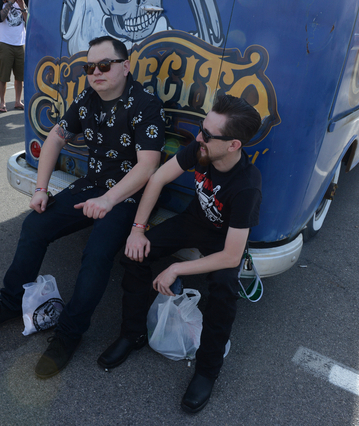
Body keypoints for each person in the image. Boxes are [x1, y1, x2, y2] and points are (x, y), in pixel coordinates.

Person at [0, 36, 165, 380]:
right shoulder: (88, 98)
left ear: (125, 66)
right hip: (92, 185)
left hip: (128, 194)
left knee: (97, 253)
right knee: (34, 225)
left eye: (104, 65)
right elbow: (56, 137)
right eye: (90, 67)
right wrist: (40, 189)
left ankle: (69, 334)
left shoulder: (147, 105)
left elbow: (148, 166)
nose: (96, 72)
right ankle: (11, 303)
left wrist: (109, 200)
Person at [98, 95, 262, 414]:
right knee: (135, 254)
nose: (199, 137)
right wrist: (137, 230)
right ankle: (132, 334)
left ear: (233, 145)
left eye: (208, 135)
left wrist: (175, 270)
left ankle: (207, 370)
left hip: (223, 240)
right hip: (193, 221)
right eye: (201, 127)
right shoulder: (201, 149)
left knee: (224, 292)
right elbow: (158, 178)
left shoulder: (247, 185)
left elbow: (232, 256)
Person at [0, 0, 26, 112]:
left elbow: (29, 22)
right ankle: (2, 102)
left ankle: (18, 101)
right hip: (6, 43)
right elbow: (0, 18)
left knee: (20, 76)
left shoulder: (23, 2)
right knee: (3, 75)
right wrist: (10, 3)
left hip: (20, 43)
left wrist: (22, 7)